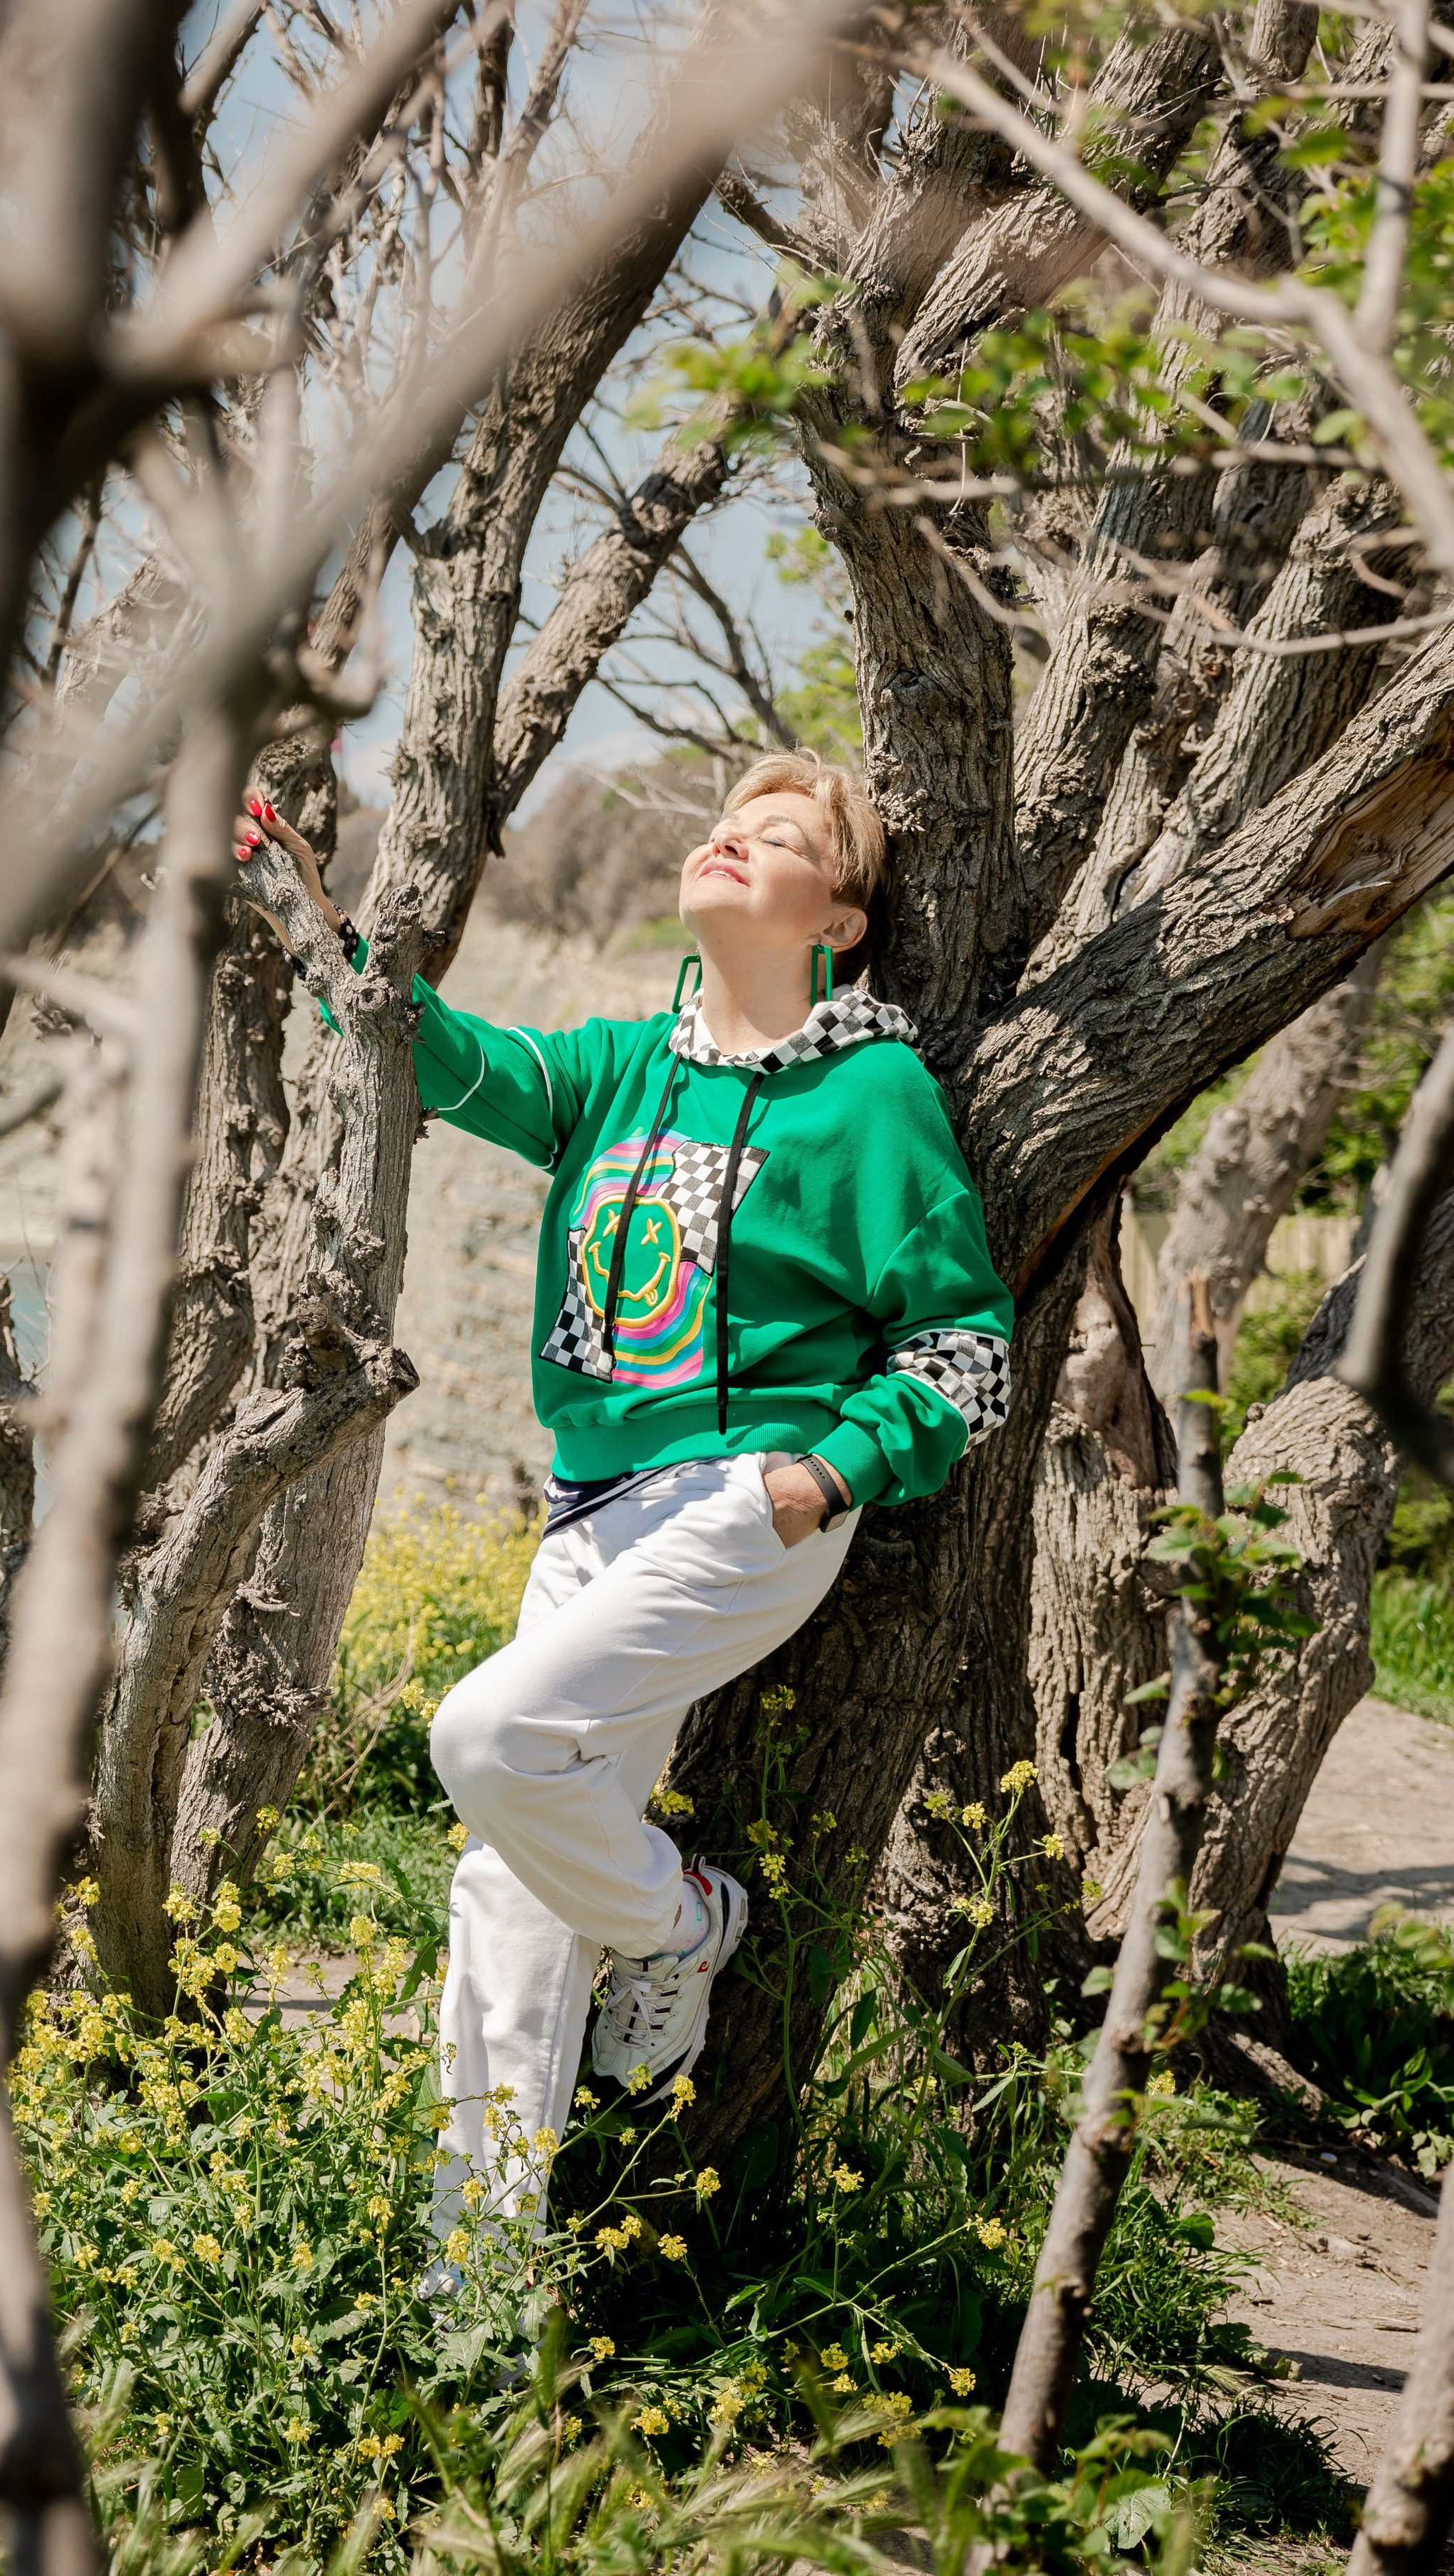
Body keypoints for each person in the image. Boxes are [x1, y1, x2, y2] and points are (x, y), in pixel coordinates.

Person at [234, 752, 1013, 2274]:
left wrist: (825, 1473)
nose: (728, 841)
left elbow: (964, 1345)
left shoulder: (873, 1092)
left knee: (481, 1743)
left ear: (838, 922)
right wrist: (316, 920)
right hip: (587, 1508)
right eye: (722, 824)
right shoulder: (615, 1069)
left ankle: (676, 1927)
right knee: (502, 1879)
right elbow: (437, 1061)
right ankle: (476, 2296)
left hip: (743, 1505)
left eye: (776, 837)